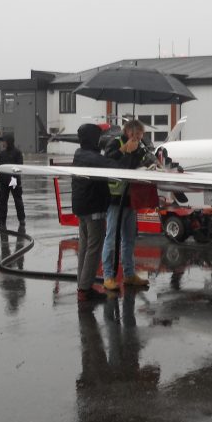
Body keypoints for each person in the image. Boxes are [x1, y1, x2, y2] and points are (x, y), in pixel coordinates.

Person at [71, 124, 123, 302]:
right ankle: (85, 290)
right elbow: (113, 165)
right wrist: (122, 150)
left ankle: (82, 285)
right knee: (93, 249)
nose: (101, 139)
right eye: (99, 136)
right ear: (93, 138)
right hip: (93, 208)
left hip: (82, 208)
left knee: (85, 248)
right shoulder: (91, 157)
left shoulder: (80, 154)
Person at [101, 119, 154, 291]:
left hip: (131, 198)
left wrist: (152, 165)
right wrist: (124, 151)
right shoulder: (115, 143)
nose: (139, 139)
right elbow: (108, 161)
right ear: (129, 132)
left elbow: (143, 158)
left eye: (141, 136)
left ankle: (129, 274)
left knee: (129, 238)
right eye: (137, 135)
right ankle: (108, 276)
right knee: (111, 239)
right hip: (116, 198)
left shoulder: (137, 146)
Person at [0, 133, 25, 231]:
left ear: (9, 142)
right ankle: (2, 221)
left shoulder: (17, 153)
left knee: (18, 201)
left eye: (4, 141)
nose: (3, 143)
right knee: (3, 202)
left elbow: (20, 167)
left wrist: (13, 177)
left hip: (13, 181)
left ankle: (22, 220)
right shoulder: (3, 153)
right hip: (4, 181)